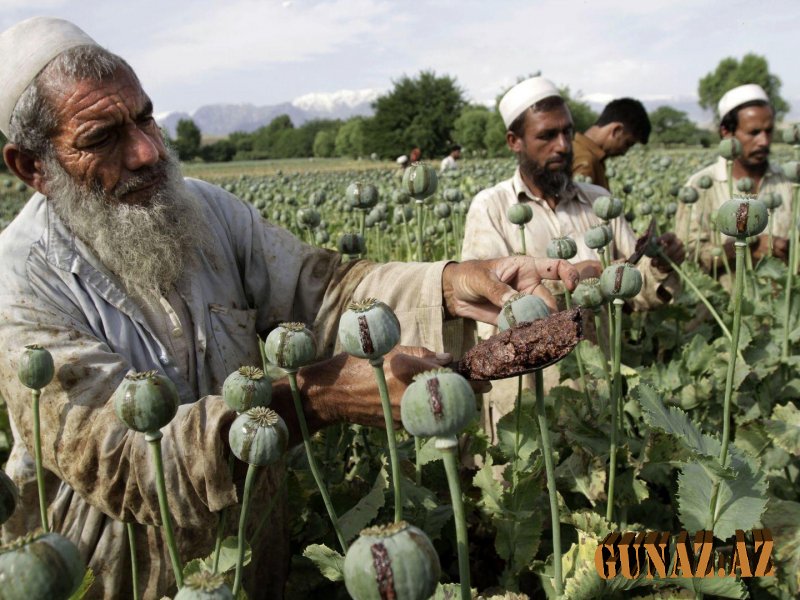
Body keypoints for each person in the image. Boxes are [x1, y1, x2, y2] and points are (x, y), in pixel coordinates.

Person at [0, 18, 580, 600]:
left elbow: (325, 291)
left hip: (255, 555)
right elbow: (124, 461)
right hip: (118, 572)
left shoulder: (202, 210)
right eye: (102, 138)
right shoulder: (18, 283)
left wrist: (453, 284)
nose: (147, 151)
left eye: (146, 118)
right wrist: (313, 398)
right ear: (31, 167)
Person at [460, 76, 684, 439]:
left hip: (598, 394)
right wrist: (569, 279)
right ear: (514, 142)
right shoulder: (491, 207)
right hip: (529, 405)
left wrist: (658, 265)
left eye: (568, 132)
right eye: (547, 136)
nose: (563, 146)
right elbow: (486, 309)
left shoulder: (599, 202)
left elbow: (633, 293)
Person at [675, 83, 793, 269]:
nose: (763, 141)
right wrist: (748, 246)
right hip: (724, 297)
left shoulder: (790, 182)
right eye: (753, 132)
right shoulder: (699, 187)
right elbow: (688, 256)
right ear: (726, 132)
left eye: (768, 131)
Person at [572, 98, 651, 190]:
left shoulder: (578, 150)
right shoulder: (585, 163)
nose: (624, 153)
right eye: (627, 144)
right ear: (616, 130)